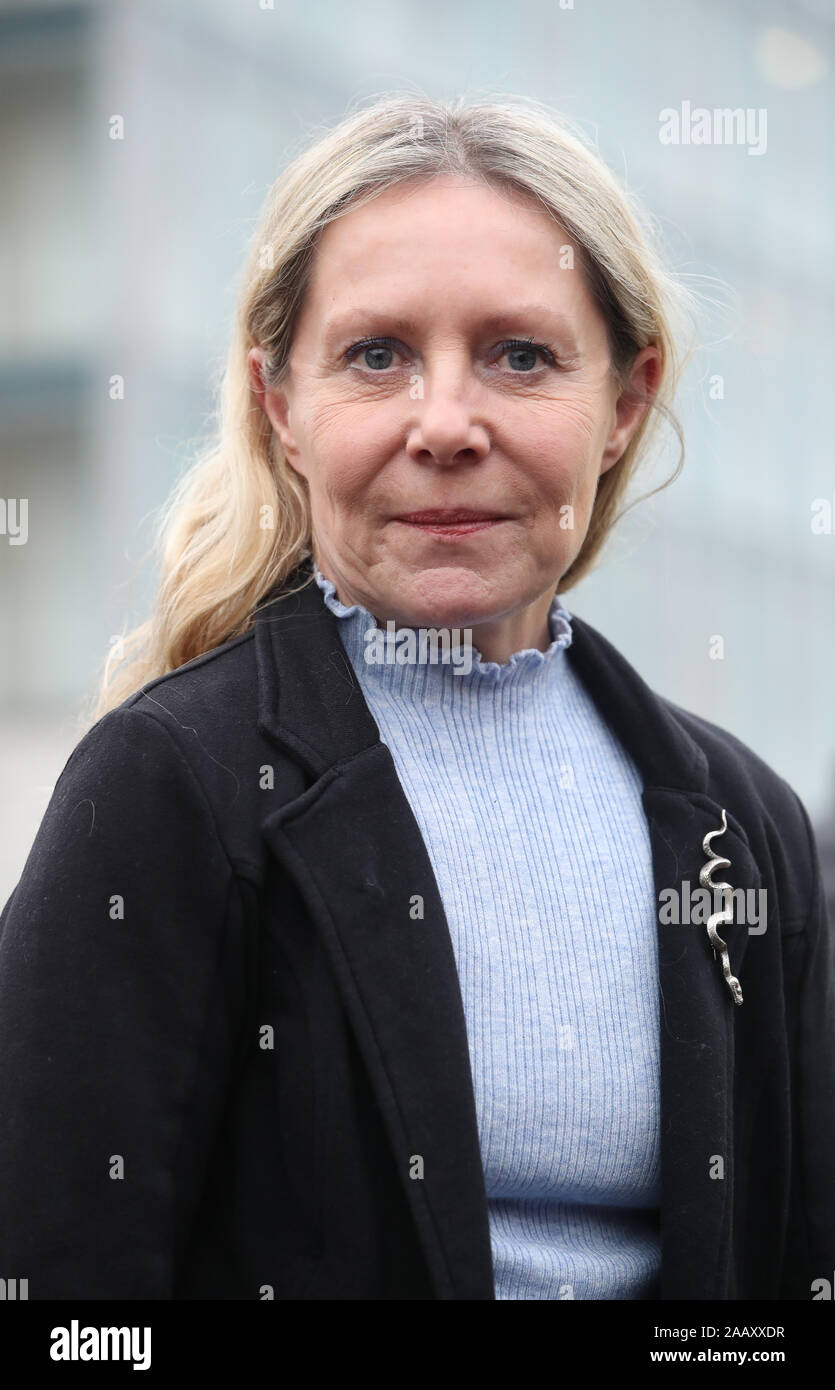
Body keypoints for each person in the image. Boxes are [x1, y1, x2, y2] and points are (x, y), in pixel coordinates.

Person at [0, 93, 832, 1301]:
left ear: (626, 402)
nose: (445, 424)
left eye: (521, 355)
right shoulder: (168, 788)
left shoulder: (742, 825)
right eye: (376, 355)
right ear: (284, 409)